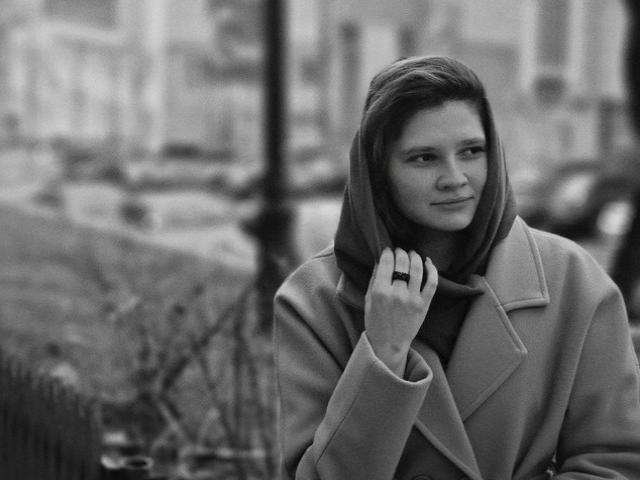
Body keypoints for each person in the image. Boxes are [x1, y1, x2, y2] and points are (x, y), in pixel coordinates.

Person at [273, 56, 640, 480]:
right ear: (377, 171)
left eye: (471, 151)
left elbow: (615, 462)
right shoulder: (312, 301)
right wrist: (384, 351)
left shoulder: (572, 280)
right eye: (423, 158)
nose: (455, 178)